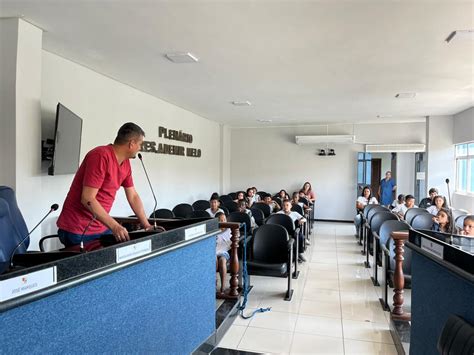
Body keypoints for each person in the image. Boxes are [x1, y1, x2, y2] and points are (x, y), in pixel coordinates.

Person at [57, 122, 152, 246]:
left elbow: (133, 196)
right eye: (140, 144)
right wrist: (115, 226)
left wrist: (146, 225)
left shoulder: (126, 163)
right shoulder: (100, 156)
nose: (140, 148)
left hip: (102, 227)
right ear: (131, 144)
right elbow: (87, 198)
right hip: (78, 229)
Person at [215, 212, 232, 295]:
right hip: (213, 253)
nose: (223, 222)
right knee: (214, 260)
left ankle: (223, 286)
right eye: (220, 220)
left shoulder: (229, 229)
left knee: (222, 261)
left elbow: (231, 242)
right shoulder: (214, 230)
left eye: (224, 219)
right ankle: (214, 283)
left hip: (224, 252)